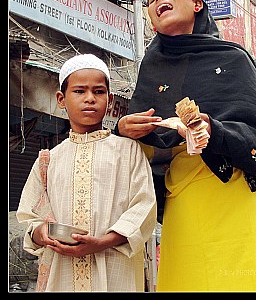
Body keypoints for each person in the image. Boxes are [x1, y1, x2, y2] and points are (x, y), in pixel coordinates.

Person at [114, 0, 256, 292]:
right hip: (181, 204)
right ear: (150, 20)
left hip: (230, 198)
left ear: (197, 4)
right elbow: (140, 153)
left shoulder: (233, 58)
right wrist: (124, 130)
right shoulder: (151, 69)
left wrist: (213, 130)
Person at [16, 53, 157, 292]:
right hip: (62, 274)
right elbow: (30, 218)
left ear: (110, 100)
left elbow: (144, 207)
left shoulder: (128, 150)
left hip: (116, 270)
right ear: (61, 98)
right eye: (79, 91)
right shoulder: (48, 160)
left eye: (98, 92)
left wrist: (102, 242)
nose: (89, 99)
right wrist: (42, 233)